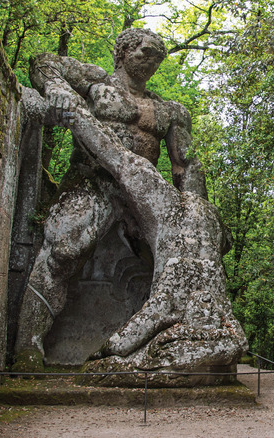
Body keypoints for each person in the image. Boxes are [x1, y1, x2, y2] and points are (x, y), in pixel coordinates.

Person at [13, 28, 209, 371]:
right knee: (63, 249)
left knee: (177, 259)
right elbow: (42, 63)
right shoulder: (96, 81)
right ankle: (27, 346)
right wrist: (58, 89)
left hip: (144, 192)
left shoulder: (170, 111)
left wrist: (196, 212)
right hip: (94, 180)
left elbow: (186, 165)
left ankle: (174, 343)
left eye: (158, 56)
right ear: (123, 52)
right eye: (146, 51)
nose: (153, 60)